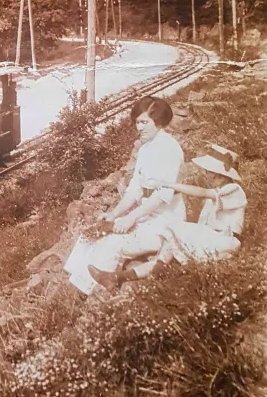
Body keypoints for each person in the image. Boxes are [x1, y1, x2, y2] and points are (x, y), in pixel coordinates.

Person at [65, 96, 184, 294]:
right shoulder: (146, 148)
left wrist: (129, 219)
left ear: (160, 122)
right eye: (137, 122)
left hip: (164, 221)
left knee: (112, 242)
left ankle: (93, 292)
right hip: (145, 215)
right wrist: (113, 215)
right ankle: (74, 286)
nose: (140, 127)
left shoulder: (169, 149)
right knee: (93, 232)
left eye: (145, 122)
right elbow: (135, 191)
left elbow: (161, 197)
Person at [89, 144, 246, 288]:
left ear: (219, 175)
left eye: (209, 172)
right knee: (165, 253)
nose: (205, 175)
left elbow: (202, 192)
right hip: (212, 239)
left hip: (224, 241)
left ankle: (153, 271)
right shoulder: (217, 196)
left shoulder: (233, 190)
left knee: (174, 229)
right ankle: (118, 277)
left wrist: (171, 185)